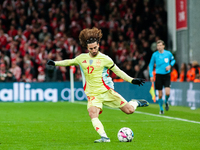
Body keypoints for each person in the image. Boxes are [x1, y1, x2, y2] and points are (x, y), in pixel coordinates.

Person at [47, 27, 149, 143]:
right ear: (87, 48)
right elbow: (69, 61)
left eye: (95, 47)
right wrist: (55, 63)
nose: (94, 50)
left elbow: (118, 71)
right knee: (92, 113)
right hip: (93, 94)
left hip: (107, 92)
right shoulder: (81, 58)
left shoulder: (105, 59)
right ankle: (104, 137)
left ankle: (135, 102)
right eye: (91, 48)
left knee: (129, 110)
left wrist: (132, 80)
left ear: (98, 45)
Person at [149, 40, 175, 114]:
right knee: (160, 94)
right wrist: (151, 75)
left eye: (160, 45)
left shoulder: (168, 53)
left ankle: (166, 101)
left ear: (163, 46)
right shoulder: (155, 55)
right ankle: (161, 108)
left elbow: (173, 60)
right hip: (159, 75)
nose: (159, 47)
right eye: (158, 46)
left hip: (166, 75)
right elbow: (151, 65)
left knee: (167, 93)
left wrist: (170, 65)